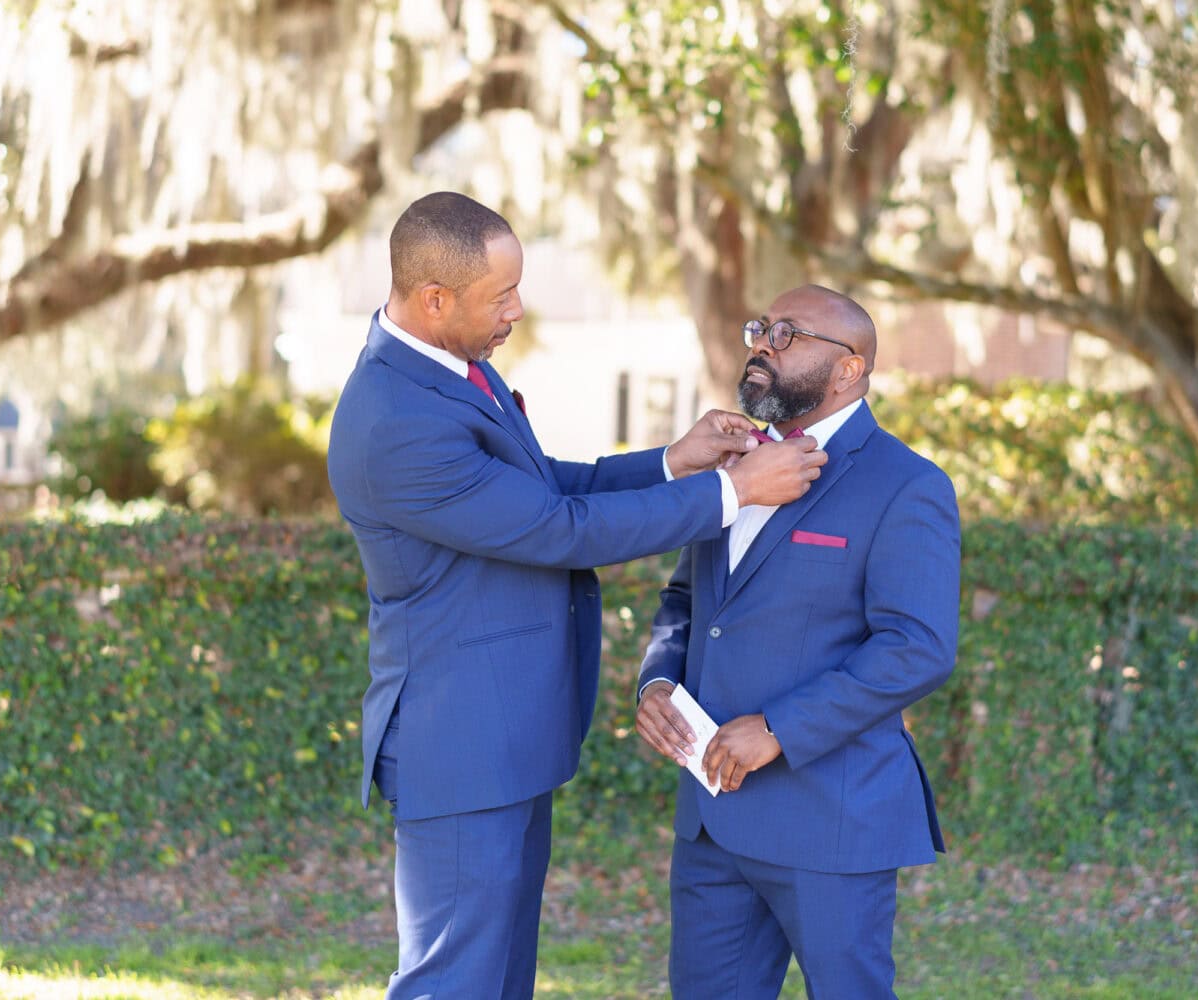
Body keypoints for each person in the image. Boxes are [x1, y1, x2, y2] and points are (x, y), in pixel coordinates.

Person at [325, 191, 827, 1000]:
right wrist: (735, 493)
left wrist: (674, 460)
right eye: (502, 296)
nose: (518, 311)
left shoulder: (457, 371)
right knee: (452, 982)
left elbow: (545, 486)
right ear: (434, 299)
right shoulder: (396, 419)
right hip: (459, 746)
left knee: (500, 979)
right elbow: (558, 530)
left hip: (505, 738)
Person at [635, 284, 961, 999]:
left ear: (850, 369)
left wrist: (780, 729)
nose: (762, 344)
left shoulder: (907, 486)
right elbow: (687, 601)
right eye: (761, 328)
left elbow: (918, 646)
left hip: (831, 822)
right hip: (712, 823)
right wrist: (658, 681)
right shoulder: (736, 468)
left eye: (788, 334)